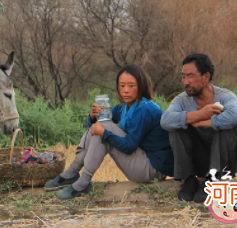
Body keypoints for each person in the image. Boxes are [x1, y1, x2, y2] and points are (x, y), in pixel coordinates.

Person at [44, 64, 174, 199]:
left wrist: (104, 132)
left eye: (131, 85)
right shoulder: (124, 107)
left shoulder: (145, 109)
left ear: (141, 86)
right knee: (102, 124)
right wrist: (93, 116)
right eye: (122, 85)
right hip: (141, 161)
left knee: (104, 127)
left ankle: (82, 182)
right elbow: (98, 125)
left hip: (152, 169)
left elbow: (129, 146)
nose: (126, 90)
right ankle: (72, 173)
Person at [160, 53, 237, 203]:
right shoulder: (181, 100)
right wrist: (200, 114)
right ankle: (189, 180)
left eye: (191, 76)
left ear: (206, 77)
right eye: (183, 77)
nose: (186, 81)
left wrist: (203, 122)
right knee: (176, 127)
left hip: (230, 162)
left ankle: (212, 180)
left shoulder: (225, 96)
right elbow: (165, 120)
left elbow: (235, 116)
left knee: (227, 126)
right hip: (201, 160)